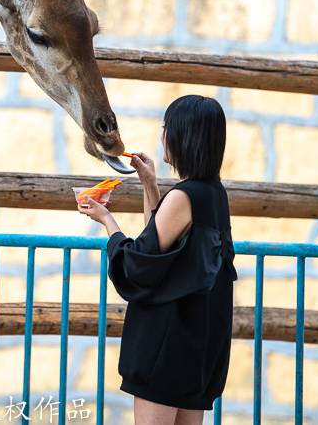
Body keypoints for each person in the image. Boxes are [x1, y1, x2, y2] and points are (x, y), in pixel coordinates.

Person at [78, 95, 236, 425]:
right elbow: (162, 247)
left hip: (169, 346)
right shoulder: (212, 193)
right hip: (199, 344)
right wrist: (150, 184)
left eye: (166, 128)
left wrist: (108, 222)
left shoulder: (185, 196)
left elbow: (139, 262)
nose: (162, 135)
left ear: (181, 136)